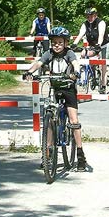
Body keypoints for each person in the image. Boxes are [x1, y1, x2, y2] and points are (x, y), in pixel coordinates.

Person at [23, 26, 90, 171]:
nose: (57, 45)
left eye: (60, 42)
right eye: (54, 43)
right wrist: (29, 72)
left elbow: (75, 63)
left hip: (69, 89)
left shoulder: (69, 53)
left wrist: (76, 72)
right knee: (50, 118)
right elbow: (39, 63)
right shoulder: (49, 53)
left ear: (65, 43)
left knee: (74, 121)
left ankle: (80, 155)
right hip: (55, 88)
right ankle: (48, 153)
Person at [73, 7, 109, 94]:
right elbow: (80, 35)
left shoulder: (101, 23)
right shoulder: (85, 24)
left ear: (95, 15)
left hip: (104, 45)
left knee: (103, 65)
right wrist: (74, 44)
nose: (89, 18)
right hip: (93, 45)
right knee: (83, 54)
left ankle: (103, 85)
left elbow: (101, 35)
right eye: (87, 16)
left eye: (91, 16)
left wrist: (98, 45)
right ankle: (92, 73)